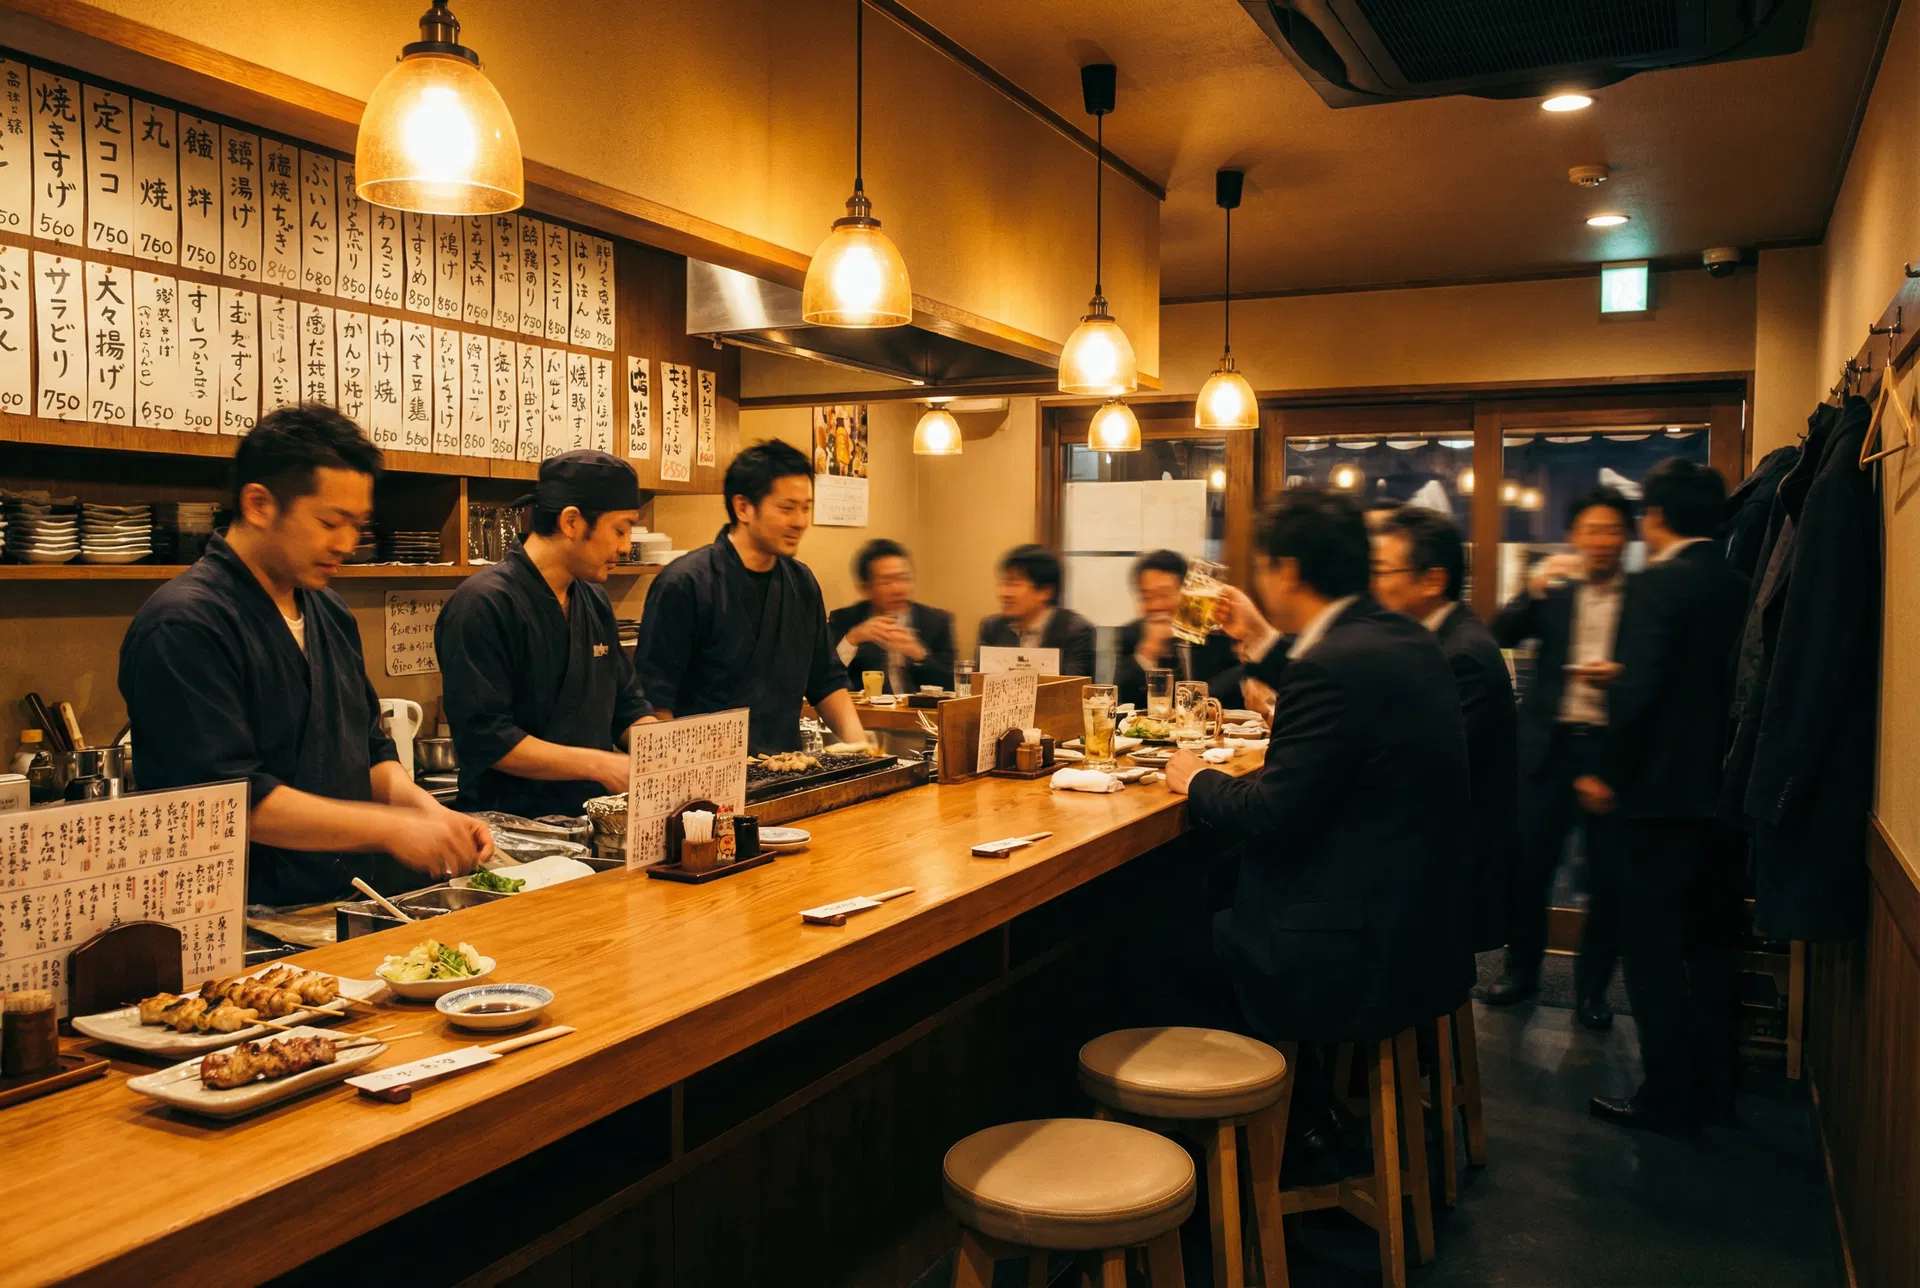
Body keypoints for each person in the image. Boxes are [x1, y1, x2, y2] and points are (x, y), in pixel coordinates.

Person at [1165, 489, 1473, 1148]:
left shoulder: (1334, 666)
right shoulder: (1403, 638)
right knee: (1208, 895)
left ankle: (1271, 1136)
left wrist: (1196, 779)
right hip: (1416, 923)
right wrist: (1260, 637)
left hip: (1347, 945)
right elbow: (1328, 686)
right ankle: (1303, 1109)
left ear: (1290, 571)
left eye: (1268, 566)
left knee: (1147, 948)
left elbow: (1270, 813)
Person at [119, 406, 491, 905]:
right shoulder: (184, 625)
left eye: (357, 524)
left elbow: (369, 749)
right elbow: (227, 802)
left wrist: (430, 812)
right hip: (242, 915)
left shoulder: (328, 610)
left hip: (338, 898)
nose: (347, 543)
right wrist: (389, 828)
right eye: (329, 521)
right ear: (258, 504)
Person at [1583, 461, 1748, 1134]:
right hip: (1723, 798)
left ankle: (1667, 1098)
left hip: (1657, 803)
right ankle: (1715, 1090)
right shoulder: (1738, 584)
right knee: (1711, 953)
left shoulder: (1657, 586)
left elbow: (1643, 696)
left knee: (1651, 956)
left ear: (1655, 518)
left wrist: (1605, 772)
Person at [435, 451, 654, 818]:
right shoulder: (483, 603)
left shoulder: (593, 599)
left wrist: (671, 750)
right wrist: (601, 765)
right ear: (571, 522)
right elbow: (488, 738)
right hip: (511, 830)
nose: (625, 546)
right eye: (620, 529)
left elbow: (626, 706)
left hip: (591, 822)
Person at [1485, 485, 1633, 1028]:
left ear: (1626, 537)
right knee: (1529, 870)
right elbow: (1498, 634)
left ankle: (1592, 993)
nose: (1602, 541)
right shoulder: (1557, 593)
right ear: (1574, 536)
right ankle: (1519, 972)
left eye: (1612, 530)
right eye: (1592, 530)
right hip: (1547, 750)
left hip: (1608, 749)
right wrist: (1531, 588)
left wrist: (1620, 677)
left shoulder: (1640, 598)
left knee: (1607, 881)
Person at [634, 440, 867, 755]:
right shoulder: (685, 583)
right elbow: (657, 701)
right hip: (706, 780)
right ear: (743, 507)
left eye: (805, 508)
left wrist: (862, 747)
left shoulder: (801, 582)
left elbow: (825, 680)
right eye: (786, 508)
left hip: (783, 770)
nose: (800, 521)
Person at [1373, 507, 1518, 957]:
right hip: (1430, 853)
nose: (1372, 585)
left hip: (1447, 873)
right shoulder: (1433, 639)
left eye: (1381, 571)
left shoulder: (1461, 655)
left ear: (1433, 580)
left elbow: (1423, 772)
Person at [1110, 549, 1243, 709]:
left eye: (1164, 595)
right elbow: (1120, 707)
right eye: (1146, 597)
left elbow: (1235, 686)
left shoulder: (1217, 632)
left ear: (1187, 593)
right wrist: (1148, 655)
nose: (1155, 605)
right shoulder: (1132, 635)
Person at [827, 539, 957, 695]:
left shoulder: (936, 622)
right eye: (886, 581)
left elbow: (952, 684)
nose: (898, 588)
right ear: (865, 588)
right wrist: (852, 640)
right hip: (866, 716)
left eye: (904, 578)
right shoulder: (845, 620)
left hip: (922, 716)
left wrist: (920, 655)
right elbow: (824, 680)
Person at [975, 545, 1097, 678]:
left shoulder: (1075, 632)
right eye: (1003, 583)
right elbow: (977, 685)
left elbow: (1072, 690)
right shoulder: (992, 628)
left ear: (1045, 591)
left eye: (1014, 584)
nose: (1003, 593)